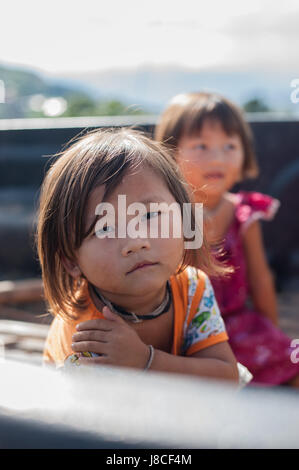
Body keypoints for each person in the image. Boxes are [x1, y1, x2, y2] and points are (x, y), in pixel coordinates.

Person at [38, 127, 239, 383]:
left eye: (150, 215)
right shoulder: (87, 331)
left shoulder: (192, 287)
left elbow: (226, 377)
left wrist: (146, 361)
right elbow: (84, 416)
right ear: (70, 260)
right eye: (105, 227)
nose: (135, 242)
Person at [155, 91, 299, 387]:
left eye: (230, 146)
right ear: (170, 154)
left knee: (290, 360)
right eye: (201, 146)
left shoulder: (244, 212)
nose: (218, 157)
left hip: (238, 325)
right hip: (188, 330)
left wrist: (272, 335)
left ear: (245, 152)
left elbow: (260, 280)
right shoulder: (173, 215)